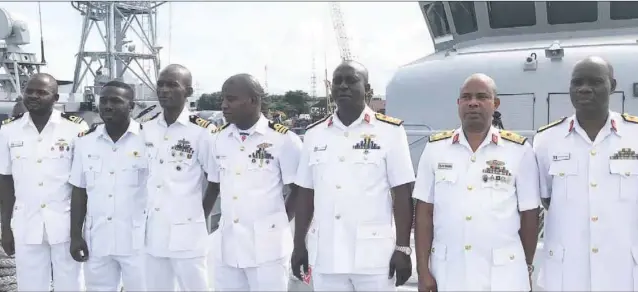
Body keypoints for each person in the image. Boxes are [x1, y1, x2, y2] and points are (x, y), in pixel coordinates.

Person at [534, 56, 638, 291]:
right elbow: (548, 199)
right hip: (570, 273)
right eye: (577, 82)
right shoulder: (546, 140)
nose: (584, 89)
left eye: (595, 82)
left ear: (613, 86)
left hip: (629, 272)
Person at [291, 61, 415, 291]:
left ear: (367, 90)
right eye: (337, 82)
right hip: (326, 255)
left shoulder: (390, 132)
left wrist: (403, 248)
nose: (343, 86)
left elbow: (402, 193)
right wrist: (299, 244)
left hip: (374, 258)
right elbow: (305, 193)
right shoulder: (314, 134)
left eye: (351, 80)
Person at [412, 74, 540, 292]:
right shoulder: (435, 149)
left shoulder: (519, 151)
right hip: (448, 272)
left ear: (495, 104)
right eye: (466, 97)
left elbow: (530, 215)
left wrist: (525, 265)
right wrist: (423, 271)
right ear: (459, 104)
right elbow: (424, 213)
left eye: (482, 97)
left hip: (503, 274)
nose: (473, 102)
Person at [0, 73, 88, 291]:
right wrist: (6, 228)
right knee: (30, 286)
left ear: (55, 98)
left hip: (66, 224)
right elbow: (5, 181)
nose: (34, 96)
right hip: (27, 224)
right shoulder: (9, 130)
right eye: (30, 91)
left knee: (71, 284)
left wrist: (77, 233)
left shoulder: (75, 128)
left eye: (42, 92)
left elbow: (83, 183)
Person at [205, 74, 303, 290]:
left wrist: (280, 222)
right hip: (228, 248)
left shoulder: (283, 140)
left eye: (230, 99)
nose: (224, 105)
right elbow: (214, 184)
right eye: (223, 99)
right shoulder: (219, 139)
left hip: (268, 250)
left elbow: (299, 190)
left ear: (253, 100)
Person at [142, 64, 216, 291]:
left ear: (188, 92)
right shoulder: (146, 129)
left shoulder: (202, 132)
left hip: (188, 234)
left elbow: (215, 180)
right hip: (152, 232)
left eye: (172, 85)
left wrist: (199, 215)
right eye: (160, 85)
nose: (164, 90)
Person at [68, 81, 148, 291]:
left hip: (139, 241)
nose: (108, 106)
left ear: (131, 106)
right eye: (103, 101)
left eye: (116, 101)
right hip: (98, 240)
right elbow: (79, 191)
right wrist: (75, 235)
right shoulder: (85, 142)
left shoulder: (149, 141)